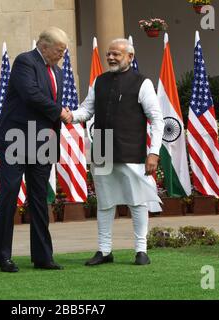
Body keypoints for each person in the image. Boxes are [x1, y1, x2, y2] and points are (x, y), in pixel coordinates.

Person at [66, 38, 164, 266]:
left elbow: (157, 120)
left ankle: (141, 250)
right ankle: (104, 250)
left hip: (131, 150)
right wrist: (69, 115)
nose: (110, 58)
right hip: (102, 150)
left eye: (116, 54)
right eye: (109, 54)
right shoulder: (99, 81)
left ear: (130, 57)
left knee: (137, 201)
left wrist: (154, 152)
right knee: (105, 202)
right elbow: (86, 110)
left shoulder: (143, 83)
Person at [0, 27, 72, 272]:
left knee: (39, 198)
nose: (62, 55)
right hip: (16, 139)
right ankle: (2, 255)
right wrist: (59, 112)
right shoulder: (25, 61)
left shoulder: (57, 71)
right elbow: (31, 95)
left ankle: (43, 256)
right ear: (44, 46)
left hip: (42, 142)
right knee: (9, 196)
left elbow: (49, 102)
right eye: (59, 51)